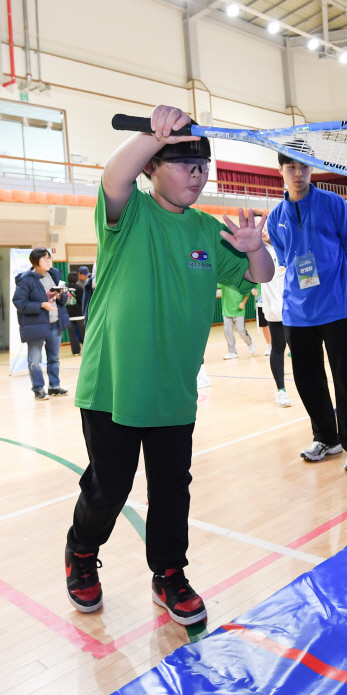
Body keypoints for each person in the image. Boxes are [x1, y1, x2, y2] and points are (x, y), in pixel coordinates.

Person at [65, 105, 273, 626]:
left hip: (174, 391)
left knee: (171, 490)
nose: (196, 176)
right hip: (114, 385)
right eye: (184, 164)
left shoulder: (209, 232)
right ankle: (82, 551)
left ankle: (169, 574)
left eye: (203, 167)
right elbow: (115, 175)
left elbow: (261, 277)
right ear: (153, 168)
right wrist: (154, 133)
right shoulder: (128, 215)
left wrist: (254, 250)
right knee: (109, 487)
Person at [268, 145, 347, 473]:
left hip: (336, 307)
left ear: (312, 170)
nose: (299, 174)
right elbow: (285, 259)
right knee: (307, 379)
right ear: (281, 171)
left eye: (305, 168)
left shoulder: (333, 204)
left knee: (346, 377)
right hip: (297, 313)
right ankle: (326, 437)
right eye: (292, 168)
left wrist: (331, 270)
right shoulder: (275, 218)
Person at [12, 247, 70, 400]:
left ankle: (54, 386)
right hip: (36, 325)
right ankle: (38, 389)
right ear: (35, 261)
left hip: (55, 323)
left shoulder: (55, 275)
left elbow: (65, 300)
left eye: (49, 258)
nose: (48, 261)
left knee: (54, 358)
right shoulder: (26, 280)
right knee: (35, 360)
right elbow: (19, 302)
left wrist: (60, 296)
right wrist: (41, 305)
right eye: (44, 258)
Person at [259, 228, 291, 407]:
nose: (262, 230)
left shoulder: (288, 245)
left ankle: (310, 388)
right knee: (277, 348)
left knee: (302, 351)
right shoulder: (257, 250)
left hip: (295, 310)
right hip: (274, 310)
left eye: (264, 226)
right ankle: (281, 390)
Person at [219, 284, 255, 359]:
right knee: (228, 331)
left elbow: (247, 294)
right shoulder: (223, 282)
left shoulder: (239, 282)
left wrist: (243, 303)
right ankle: (232, 352)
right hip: (226, 311)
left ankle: (250, 343)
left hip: (239, 311)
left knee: (240, 329)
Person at [65, 271, 85, 355]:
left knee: (72, 334)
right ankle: (87, 349)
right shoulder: (79, 288)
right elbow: (82, 300)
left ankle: (75, 351)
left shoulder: (65, 288)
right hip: (79, 314)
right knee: (83, 332)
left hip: (68, 314)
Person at [251, 287, 272, 356]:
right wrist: (252, 289)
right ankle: (270, 346)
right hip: (260, 303)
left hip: (272, 302)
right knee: (264, 325)